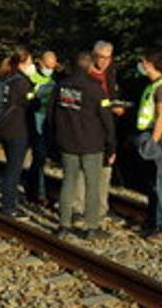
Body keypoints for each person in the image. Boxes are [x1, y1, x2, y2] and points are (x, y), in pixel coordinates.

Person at [51, 51, 115, 239]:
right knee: (92, 185)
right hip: (92, 144)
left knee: (68, 183)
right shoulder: (95, 88)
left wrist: (55, 139)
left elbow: (51, 116)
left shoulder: (60, 86)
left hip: (67, 142)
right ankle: (91, 228)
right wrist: (111, 144)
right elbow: (107, 119)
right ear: (89, 66)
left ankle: (63, 225)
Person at [73, 40, 121, 219]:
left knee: (105, 168)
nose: (104, 62)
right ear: (94, 56)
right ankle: (77, 208)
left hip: (105, 126)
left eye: (108, 58)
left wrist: (115, 107)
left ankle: (100, 209)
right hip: (85, 126)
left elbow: (110, 96)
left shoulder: (110, 72)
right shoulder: (84, 72)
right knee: (81, 168)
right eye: (101, 57)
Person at [135, 49, 162, 241]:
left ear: (150, 64)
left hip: (156, 139)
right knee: (152, 183)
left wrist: (153, 141)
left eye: (143, 61)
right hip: (148, 136)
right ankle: (153, 222)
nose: (141, 64)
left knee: (161, 183)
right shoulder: (153, 85)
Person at [0, 47, 35, 214]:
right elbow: (31, 103)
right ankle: (8, 206)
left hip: (2, 127)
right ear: (22, 64)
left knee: (11, 166)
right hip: (18, 130)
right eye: (30, 62)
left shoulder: (5, 78)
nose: (32, 66)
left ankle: (10, 201)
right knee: (14, 170)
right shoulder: (22, 83)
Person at [23, 50, 58, 206]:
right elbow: (28, 98)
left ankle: (35, 189)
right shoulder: (32, 79)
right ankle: (38, 192)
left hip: (45, 124)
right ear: (41, 63)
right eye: (48, 66)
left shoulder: (52, 80)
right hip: (34, 123)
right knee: (39, 157)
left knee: (40, 159)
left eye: (53, 66)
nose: (50, 69)